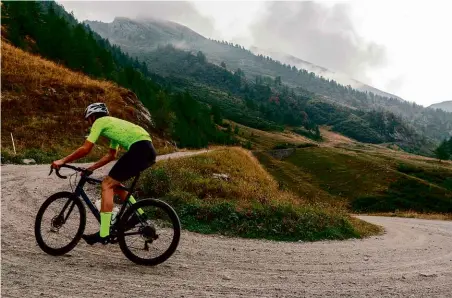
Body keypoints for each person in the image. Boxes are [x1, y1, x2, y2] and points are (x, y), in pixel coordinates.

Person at [51, 102, 157, 245]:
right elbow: (111, 155)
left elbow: (86, 148)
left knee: (106, 184)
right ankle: (139, 214)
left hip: (139, 148)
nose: (88, 123)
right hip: (148, 150)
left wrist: (63, 160)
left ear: (92, 116)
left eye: (88, 119)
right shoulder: (113, 124)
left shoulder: (100, 122)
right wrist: (91, 168)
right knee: (115, 183)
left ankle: (104, 233)